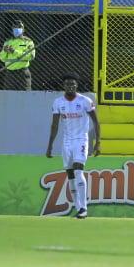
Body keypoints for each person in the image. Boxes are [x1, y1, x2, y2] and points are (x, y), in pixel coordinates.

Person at [45, 73, 101, 219]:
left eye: (73, 84)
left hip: (81, 140)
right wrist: (50, 146)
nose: (70, 86)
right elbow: (55, 125)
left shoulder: (85, 101)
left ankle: (84, 208)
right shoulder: (58, 102)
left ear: (77, 85)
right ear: (64, 86)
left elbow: (96, 122)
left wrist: (98, 143)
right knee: (70, 174)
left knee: (78, 171)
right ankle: (78, 207)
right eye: (68, 84)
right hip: (67, 141)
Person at [0, 19, 35, 90]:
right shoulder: (8, 42)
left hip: (22, 72)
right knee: (9, 95)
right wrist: (5, 51)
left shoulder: (28, 42)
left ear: (23, 29)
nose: (16, 29)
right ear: (12, 30)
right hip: (10, 73)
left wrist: (14, 52)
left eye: (19, 27)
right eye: (15, 28)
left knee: (25, 94)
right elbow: (2, 58)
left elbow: (31, 56)